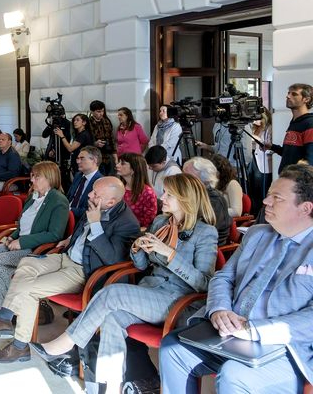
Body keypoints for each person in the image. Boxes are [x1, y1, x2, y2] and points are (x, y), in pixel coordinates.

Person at [32, 174, 218, 393]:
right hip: (149, 292)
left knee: (112, 293)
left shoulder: (205, 233)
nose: (162, 197)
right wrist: (137, 249)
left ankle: (66, 342)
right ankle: (111, 388)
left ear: (185, 199)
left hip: (178, 300)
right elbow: (141, 266)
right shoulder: (161, 222)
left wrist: (170, 254)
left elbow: (205, 284)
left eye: (169, 195)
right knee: (112, 318)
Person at [159, 164, 313, 394]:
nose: (266, 201)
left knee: (233, 374)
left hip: (285, 347)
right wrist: (220, 309)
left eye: (277, 198)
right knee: (172, 347)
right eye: (269, 194)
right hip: (230, 333)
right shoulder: (257, 234)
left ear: (305, 208)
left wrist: (254, 331)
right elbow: (223, 277)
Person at [0, 177, 140, 363]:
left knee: (29, 289)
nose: (90, 195)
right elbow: (81, 235)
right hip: (65, 257)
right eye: (92, 190)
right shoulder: (96, 206)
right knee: (26, 263)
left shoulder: (127, 222)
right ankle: (4, 318)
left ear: (111, 202)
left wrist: (95, 225)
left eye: (96, 194)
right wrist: (70, 239)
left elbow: (113, 258)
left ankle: (19, 345)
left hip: (84, 270)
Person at [0, 161, 69, 328]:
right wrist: (12, 237)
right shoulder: (33, 197)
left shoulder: (58, 201)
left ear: (49, 178)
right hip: (20, 243)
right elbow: (22, 225)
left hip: (36, 250)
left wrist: (21, 242)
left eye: (37, 177)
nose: (32, 180)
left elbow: (55, 235)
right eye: (32, 176)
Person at [183, 157, 232, 245]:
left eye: (188, 177)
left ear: (205, 181)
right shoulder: (191, 194)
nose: (182, 180)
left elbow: (201, 231)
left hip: (209, 246)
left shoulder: (215, 201)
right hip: (189, 240)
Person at [267, 83, 313, 172]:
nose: (288, 96)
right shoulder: (295, 121)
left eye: (294, 94)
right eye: (288, 93)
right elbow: (290, 153)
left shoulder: (310, 123)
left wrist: (296, 178)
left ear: (306, 99)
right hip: (286, 175)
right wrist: (272, 147)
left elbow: (310, 160)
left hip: (297, 178)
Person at [117, 152, 158, 228]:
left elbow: (148, 222)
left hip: (135, 231)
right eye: (118, 162)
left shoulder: (147, 193)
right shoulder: (119, 187)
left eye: (122, 163)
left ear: (133, 169)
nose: (117, 165)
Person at [65, 146, 103, 222]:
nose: (78, 162)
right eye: (78, 158)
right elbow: (69, 197)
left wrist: (68, 209)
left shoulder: (100, 182)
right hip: (66, 215)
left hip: (81, 221)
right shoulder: (78, 175)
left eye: (82, 158)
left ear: (94, 160)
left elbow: (91, 211)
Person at [247, 110, 273, 215]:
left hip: (263, 164)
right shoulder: (253, 128)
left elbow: (271, 148)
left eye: (258, 118)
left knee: (261, 190)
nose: (255, 120)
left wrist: (257, 139)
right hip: (252, 160)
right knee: (251, 188)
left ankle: (261, 214)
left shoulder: (270, 129)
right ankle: (253, 213)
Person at [88, 101, 116, 174]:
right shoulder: (88, 123)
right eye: (98, 111)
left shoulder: (106, 121)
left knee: (111, 176)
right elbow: (85, 141)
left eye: (102, 111)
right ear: (92, 112)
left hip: (108, 154)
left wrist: (115, 155)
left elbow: (111, 138)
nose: (101, 113)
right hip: (95, 156)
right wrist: (95, 143)